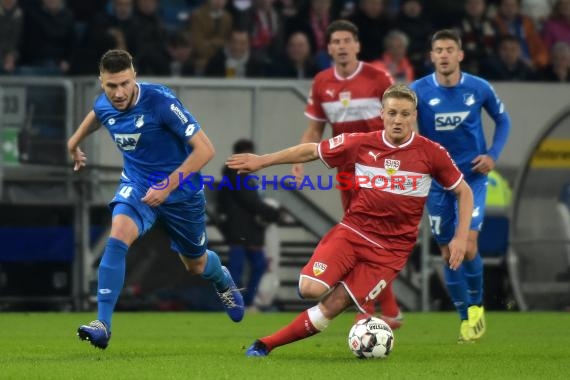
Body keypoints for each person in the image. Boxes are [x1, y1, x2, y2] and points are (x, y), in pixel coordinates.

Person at [226, 83, 474, 356]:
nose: (398, 120)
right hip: (353, 232)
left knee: (334, 305)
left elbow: (464, 191)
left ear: (415, 116)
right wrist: (263, 161)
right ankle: (334, 275)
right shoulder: (361, 143)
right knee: (310, 289)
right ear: (382, 113)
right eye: (392, 113)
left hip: (391, 251)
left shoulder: (432, 153)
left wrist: (461, 237)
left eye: (405, 114)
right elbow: (311, 150)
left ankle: (265, 345)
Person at [67, 49, 244, 350]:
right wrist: (74, 142)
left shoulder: (161, 101)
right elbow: (97, 115)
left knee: (196, 265)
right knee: (118, 235)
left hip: (181, 192)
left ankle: (222, 278)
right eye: (111, 86)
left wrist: (166, 186)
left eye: (124, 83)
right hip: (137, 186)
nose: (119, 92)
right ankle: (102, 324)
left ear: (134, 75)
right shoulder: (105, 103)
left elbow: (205, 150)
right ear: (102, 82)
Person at [291, 19, 401, 328]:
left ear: (357, 46)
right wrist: (300, 158)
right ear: (328, 48)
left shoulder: (378, 78)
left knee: (369, 238)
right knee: (364, 240)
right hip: (346, 173)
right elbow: (315, 128)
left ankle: (377, 309)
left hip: (379, 169)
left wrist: (406, 158)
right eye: (335, 42)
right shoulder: (322, 82)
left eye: (346, 41)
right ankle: (388, 311)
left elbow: (400, 120)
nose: (341, 46)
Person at [410, 29, 511, 343]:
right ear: (432, 56)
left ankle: (477, 306)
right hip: (438, 182)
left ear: (460, 54)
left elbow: (503, 120)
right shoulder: (418, 91)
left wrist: (493, 154)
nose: (443, 55)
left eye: (449, 49)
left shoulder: (478, 88)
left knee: (466, 246)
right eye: (438, 49)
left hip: (472, 179)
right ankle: (465, 315)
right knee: (447, 252)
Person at [218, 139, 280, 310]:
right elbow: (251, 202)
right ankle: (238, 303)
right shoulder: (236, 176)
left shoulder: (235, 176)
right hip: (242, 232)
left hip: (246, 231)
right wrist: (273, 213)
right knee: (240, 269)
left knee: (250, 266)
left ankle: (244, 302)